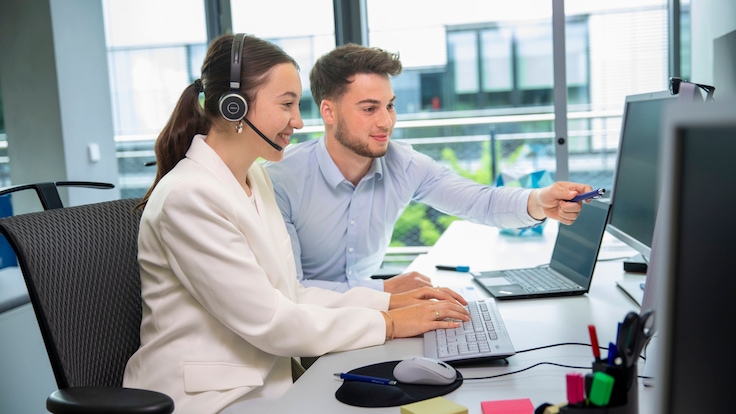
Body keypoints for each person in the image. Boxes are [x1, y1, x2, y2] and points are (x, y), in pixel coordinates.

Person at [123, 34, 470, 414]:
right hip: (208, 400)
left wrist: (391, 302)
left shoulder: (256, 179)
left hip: (265, 385)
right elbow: (272, 321)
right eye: (287, 104)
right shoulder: (189, 196)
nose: (299, 121)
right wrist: (388, 323)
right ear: (235, 107)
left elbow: (291, 294)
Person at [264, 44, 594, 294]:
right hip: (310, 333)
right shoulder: (281, 180)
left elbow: (480, 202)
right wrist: (384, 292)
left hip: (375, 318)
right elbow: (291, 290)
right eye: (369, 108)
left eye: (390, 106)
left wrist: (538, 201)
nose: (386, 121)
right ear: (329, 112)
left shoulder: (404, 164)